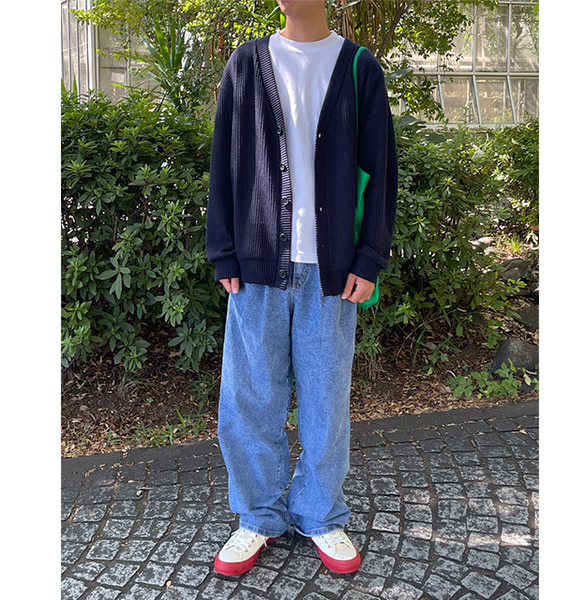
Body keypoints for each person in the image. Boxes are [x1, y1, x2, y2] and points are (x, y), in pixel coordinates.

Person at [206, 0, 397, 577]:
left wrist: (370, 256)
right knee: (249, 400)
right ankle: (258, 515)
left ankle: (319, 513)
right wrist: (223, 249)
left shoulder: (359, 68)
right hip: (257, 267)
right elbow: (224, 161)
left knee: (325, 401)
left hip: (331, 269)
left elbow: (381, 168)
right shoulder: (246, 64)